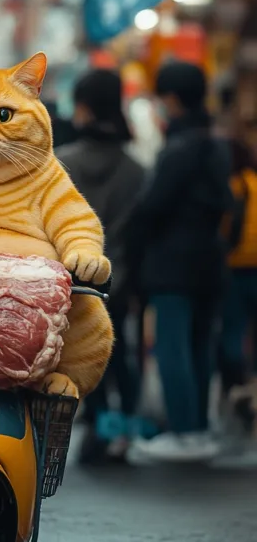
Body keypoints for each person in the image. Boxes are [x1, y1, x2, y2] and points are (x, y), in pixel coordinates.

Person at [129, 61, 232, 463]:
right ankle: (199, 430)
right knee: (200, 345)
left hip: (173, 264)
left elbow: (151, 207)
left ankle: (185, 431)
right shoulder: (217, 145)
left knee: (172, 347)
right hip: (210, 261)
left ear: (170, 99)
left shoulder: (179, 149)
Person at [56, 70, 145, 463]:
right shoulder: (137, 171)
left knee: (80, 351)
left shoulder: (60, 165)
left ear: (85, 107)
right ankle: (123, 428)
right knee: (120, 350)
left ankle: (96, 421)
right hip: (121, 277)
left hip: (72, 279)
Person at [219, 136, 257, 430]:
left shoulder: (233, 185)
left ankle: (238, 384)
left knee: (233, 330)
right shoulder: (254, 182)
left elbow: (224, 228)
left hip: (234, 268)